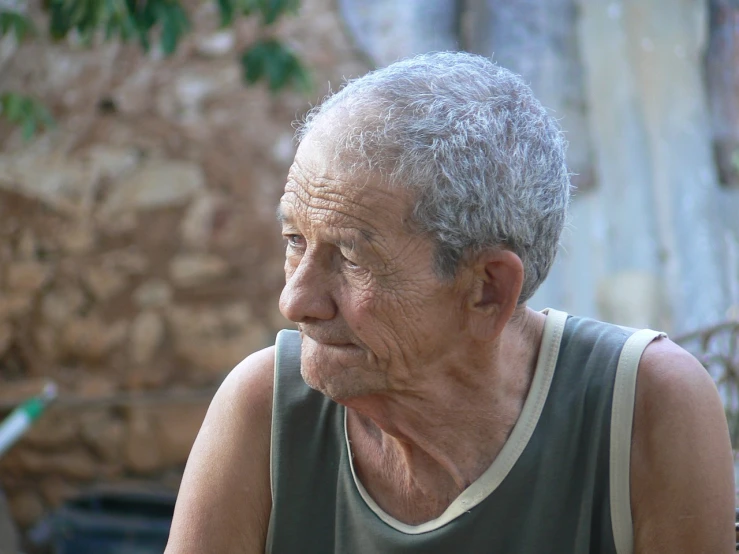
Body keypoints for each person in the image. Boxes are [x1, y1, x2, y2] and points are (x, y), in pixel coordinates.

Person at [165, 52, 735, 553]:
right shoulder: (265, 411)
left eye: (352, 258)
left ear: (487, 290)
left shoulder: (645, 407)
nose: (296, 301)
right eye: (296, 242)